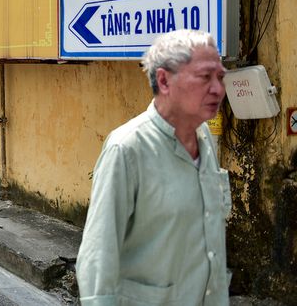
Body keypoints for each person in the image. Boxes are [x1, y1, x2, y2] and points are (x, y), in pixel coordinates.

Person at [75, 30, 232, 304]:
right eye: (205, 77)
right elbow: (98, 258)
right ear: (164, 80)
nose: (218, 88)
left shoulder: (204, 138)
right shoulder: (126, 149)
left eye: (220, 77)